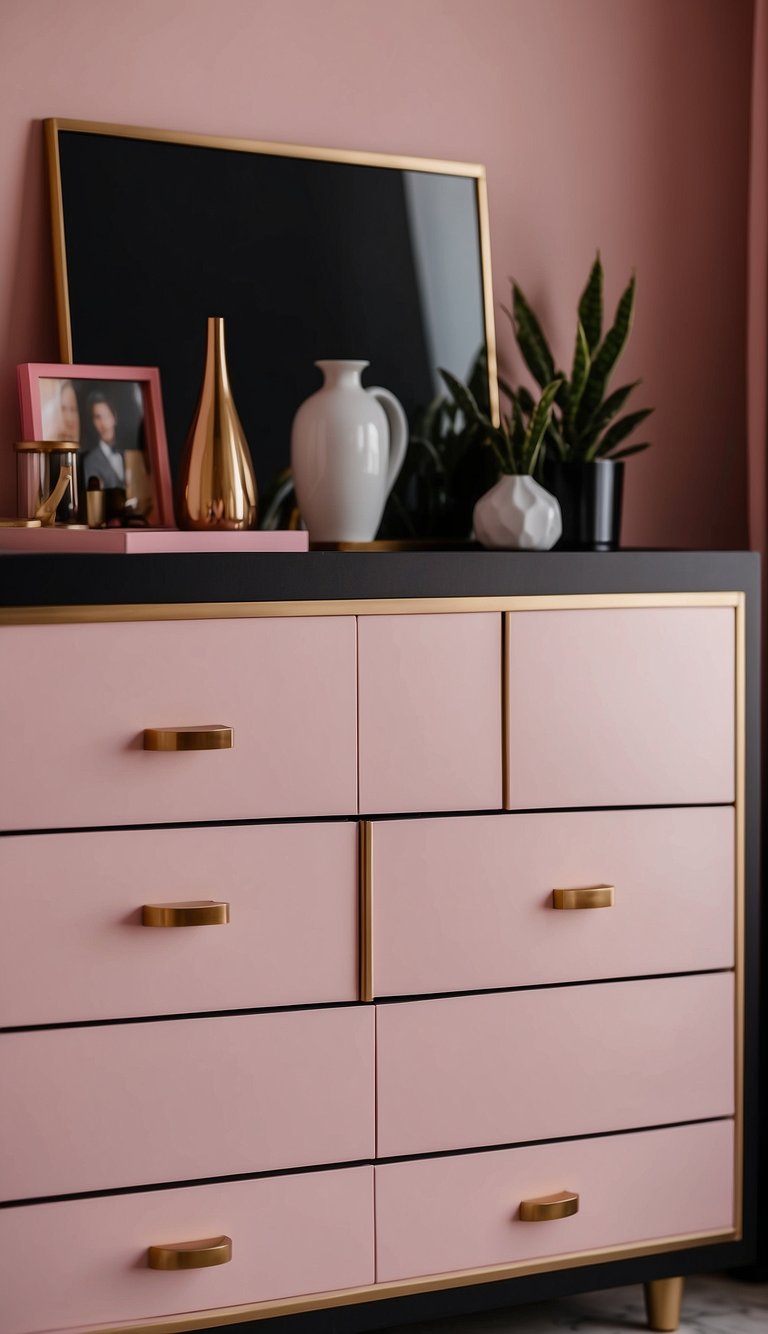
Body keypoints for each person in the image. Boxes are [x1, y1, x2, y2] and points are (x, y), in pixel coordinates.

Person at [83, 392, 125, 490]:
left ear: (114, 418)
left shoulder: (126, 453)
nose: (103, 424)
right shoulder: (90, 461)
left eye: (107, 415)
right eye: (98, 417)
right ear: (93, 422)